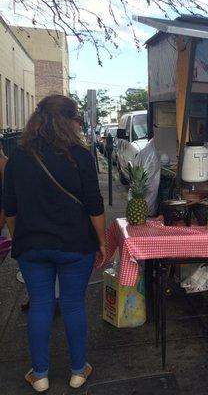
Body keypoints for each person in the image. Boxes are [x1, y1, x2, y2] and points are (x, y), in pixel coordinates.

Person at [3, 94, 106, 392]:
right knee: (74, 305)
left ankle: (40, 375)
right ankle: (77, 371)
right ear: (71, 120)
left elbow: (10, 207)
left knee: (40, 306)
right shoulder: (81, 155)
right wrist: (101, 241)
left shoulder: (18, 157)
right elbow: (94, 204)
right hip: (75, 245)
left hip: (32, 246)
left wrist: (19, 237)